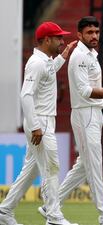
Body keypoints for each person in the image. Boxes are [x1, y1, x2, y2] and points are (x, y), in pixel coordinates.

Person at [38, 16, 103, 225]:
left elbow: (92, 86)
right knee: (94, 164)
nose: (94, 36)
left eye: (96, 32)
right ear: (79, 35)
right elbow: (84, 91)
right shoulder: (80, 57)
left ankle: (50, 205)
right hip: (85, 112)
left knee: (84, 165)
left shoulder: (92, 54)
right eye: (89, 33)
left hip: (94, 112)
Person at [0, 22, 76, 225]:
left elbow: (49, 73)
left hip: (42, 121)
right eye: (58, 38)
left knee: (30, 170)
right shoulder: (36, 63)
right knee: (52, 167)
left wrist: (63, 56)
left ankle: (4, 211)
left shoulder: (46, 61)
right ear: (47, 40)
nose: (62, 41)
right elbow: (25, 95)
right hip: (39, 121)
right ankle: (54, 216)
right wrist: (35, 126)